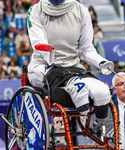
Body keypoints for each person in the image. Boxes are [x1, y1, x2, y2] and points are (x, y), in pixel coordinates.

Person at [26, 0, 114, 133]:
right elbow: (38, 42)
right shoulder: (35, 10)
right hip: (42, 66)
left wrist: (101, 62)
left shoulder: (81, 11)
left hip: (73, 67)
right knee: (78, 89)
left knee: (101, 91)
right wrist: (51, 54)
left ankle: (101, 125)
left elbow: (86, 48)